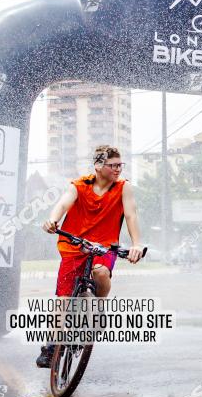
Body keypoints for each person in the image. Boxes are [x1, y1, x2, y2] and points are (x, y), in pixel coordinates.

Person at [36, 145, 145, 367]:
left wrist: (136, 244)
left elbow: (131, 216)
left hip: (105, 248)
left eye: (119, 165)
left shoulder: (124, 188)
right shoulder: (79, 185)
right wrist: (53, 220)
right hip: (74, 247)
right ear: (98, 166)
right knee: (63, 300)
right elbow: (63, 203)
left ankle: (98, 308)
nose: (117, 169)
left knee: (101, 272)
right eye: (112, 165)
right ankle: (51, 346)